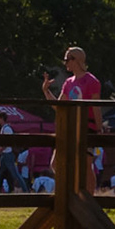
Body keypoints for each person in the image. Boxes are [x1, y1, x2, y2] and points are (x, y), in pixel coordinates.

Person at [41, 47, 101, 194]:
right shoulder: (68, 83)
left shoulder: (92, 81)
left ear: (76, 60)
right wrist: (46, 91)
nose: (65, 63)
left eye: (67, 59)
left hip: (87, 126)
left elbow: (96, 107)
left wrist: (99, 128)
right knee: (56, 163)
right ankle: (71, 191)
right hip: (70, 126)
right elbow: (59, 107)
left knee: (86, 164)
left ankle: (89, 198)